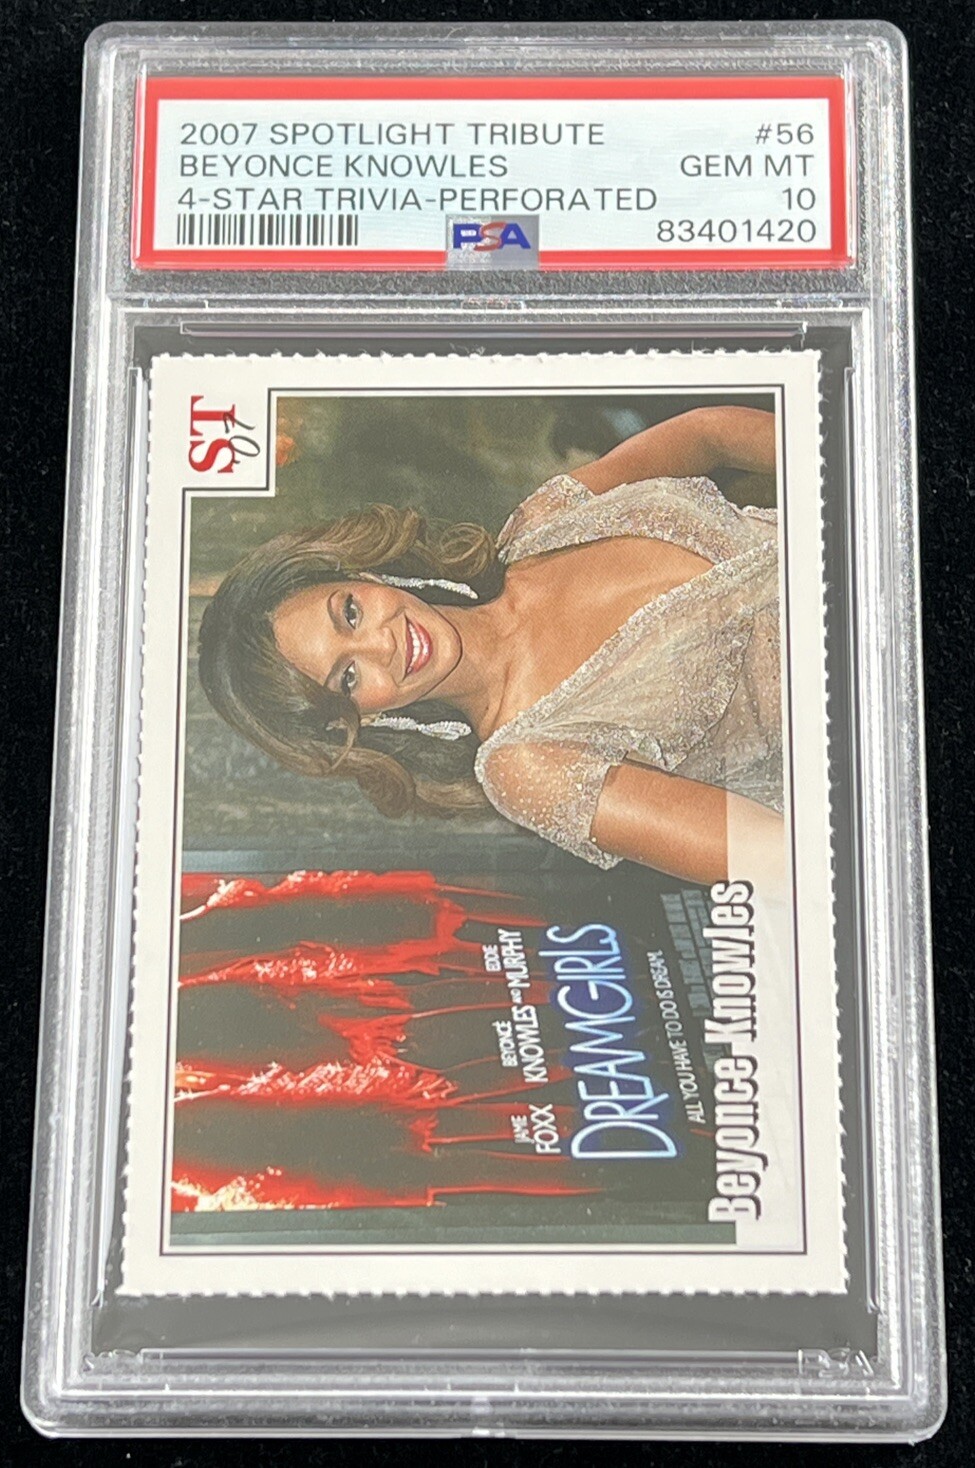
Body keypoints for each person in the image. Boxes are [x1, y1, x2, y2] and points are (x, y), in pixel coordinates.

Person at [198, 406, 783, 885]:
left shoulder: (544, 522)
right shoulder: (526, 766)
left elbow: (706, 434)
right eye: (348, 678)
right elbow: (778, 860)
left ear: (363, 574)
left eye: (350, 612)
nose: (382, 644)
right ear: (359, 721)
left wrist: (827, 461)